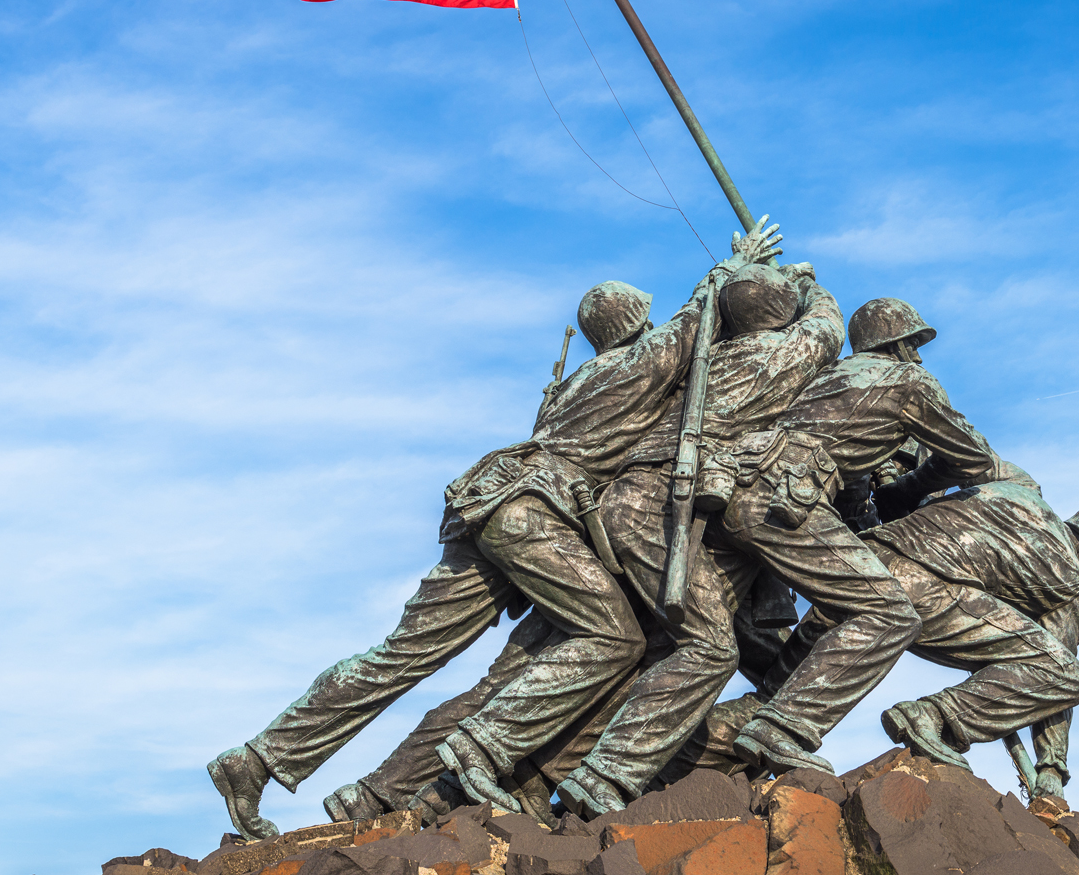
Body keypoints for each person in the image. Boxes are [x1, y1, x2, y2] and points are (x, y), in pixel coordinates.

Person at [206, 226, 781, 839]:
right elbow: (696, 324)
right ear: (638, 320)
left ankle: (262, 757)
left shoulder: (577, 382)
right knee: (615, 638)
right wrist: (732, 267)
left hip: (486, 505)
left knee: (401, 657)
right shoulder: (637, 364)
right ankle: (486, 747)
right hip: (532, 515)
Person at [558, 273, 936, 815]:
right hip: (669, 501)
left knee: (668, 646)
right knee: (710, 647)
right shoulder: (782, 354)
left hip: (651, 501)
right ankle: (609, 773)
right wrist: (809, 284)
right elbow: (825, 327)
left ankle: (581, 768)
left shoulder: (695, 362)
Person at [770, 461, 1079, 793]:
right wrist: (1052, 768)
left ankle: (728, 751)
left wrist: (901, 493)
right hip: (919, 589)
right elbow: (1049, 670)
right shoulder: (1074, 589)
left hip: (861, 563)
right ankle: (932, 716)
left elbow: (954, 459)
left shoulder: (1018, 484)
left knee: (774, 700)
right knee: (1067, 675)